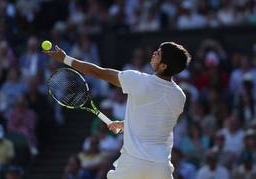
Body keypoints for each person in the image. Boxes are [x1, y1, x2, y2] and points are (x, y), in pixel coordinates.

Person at [44, 41, 191, 179]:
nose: (154, 53)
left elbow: (97, 72)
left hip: (134, 162)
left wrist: (64, 58)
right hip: (161, 167)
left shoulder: (138, 80)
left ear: (163, 66)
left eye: (158, 53)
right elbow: (156, 124)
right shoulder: (180, 96)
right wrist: (125, 124)